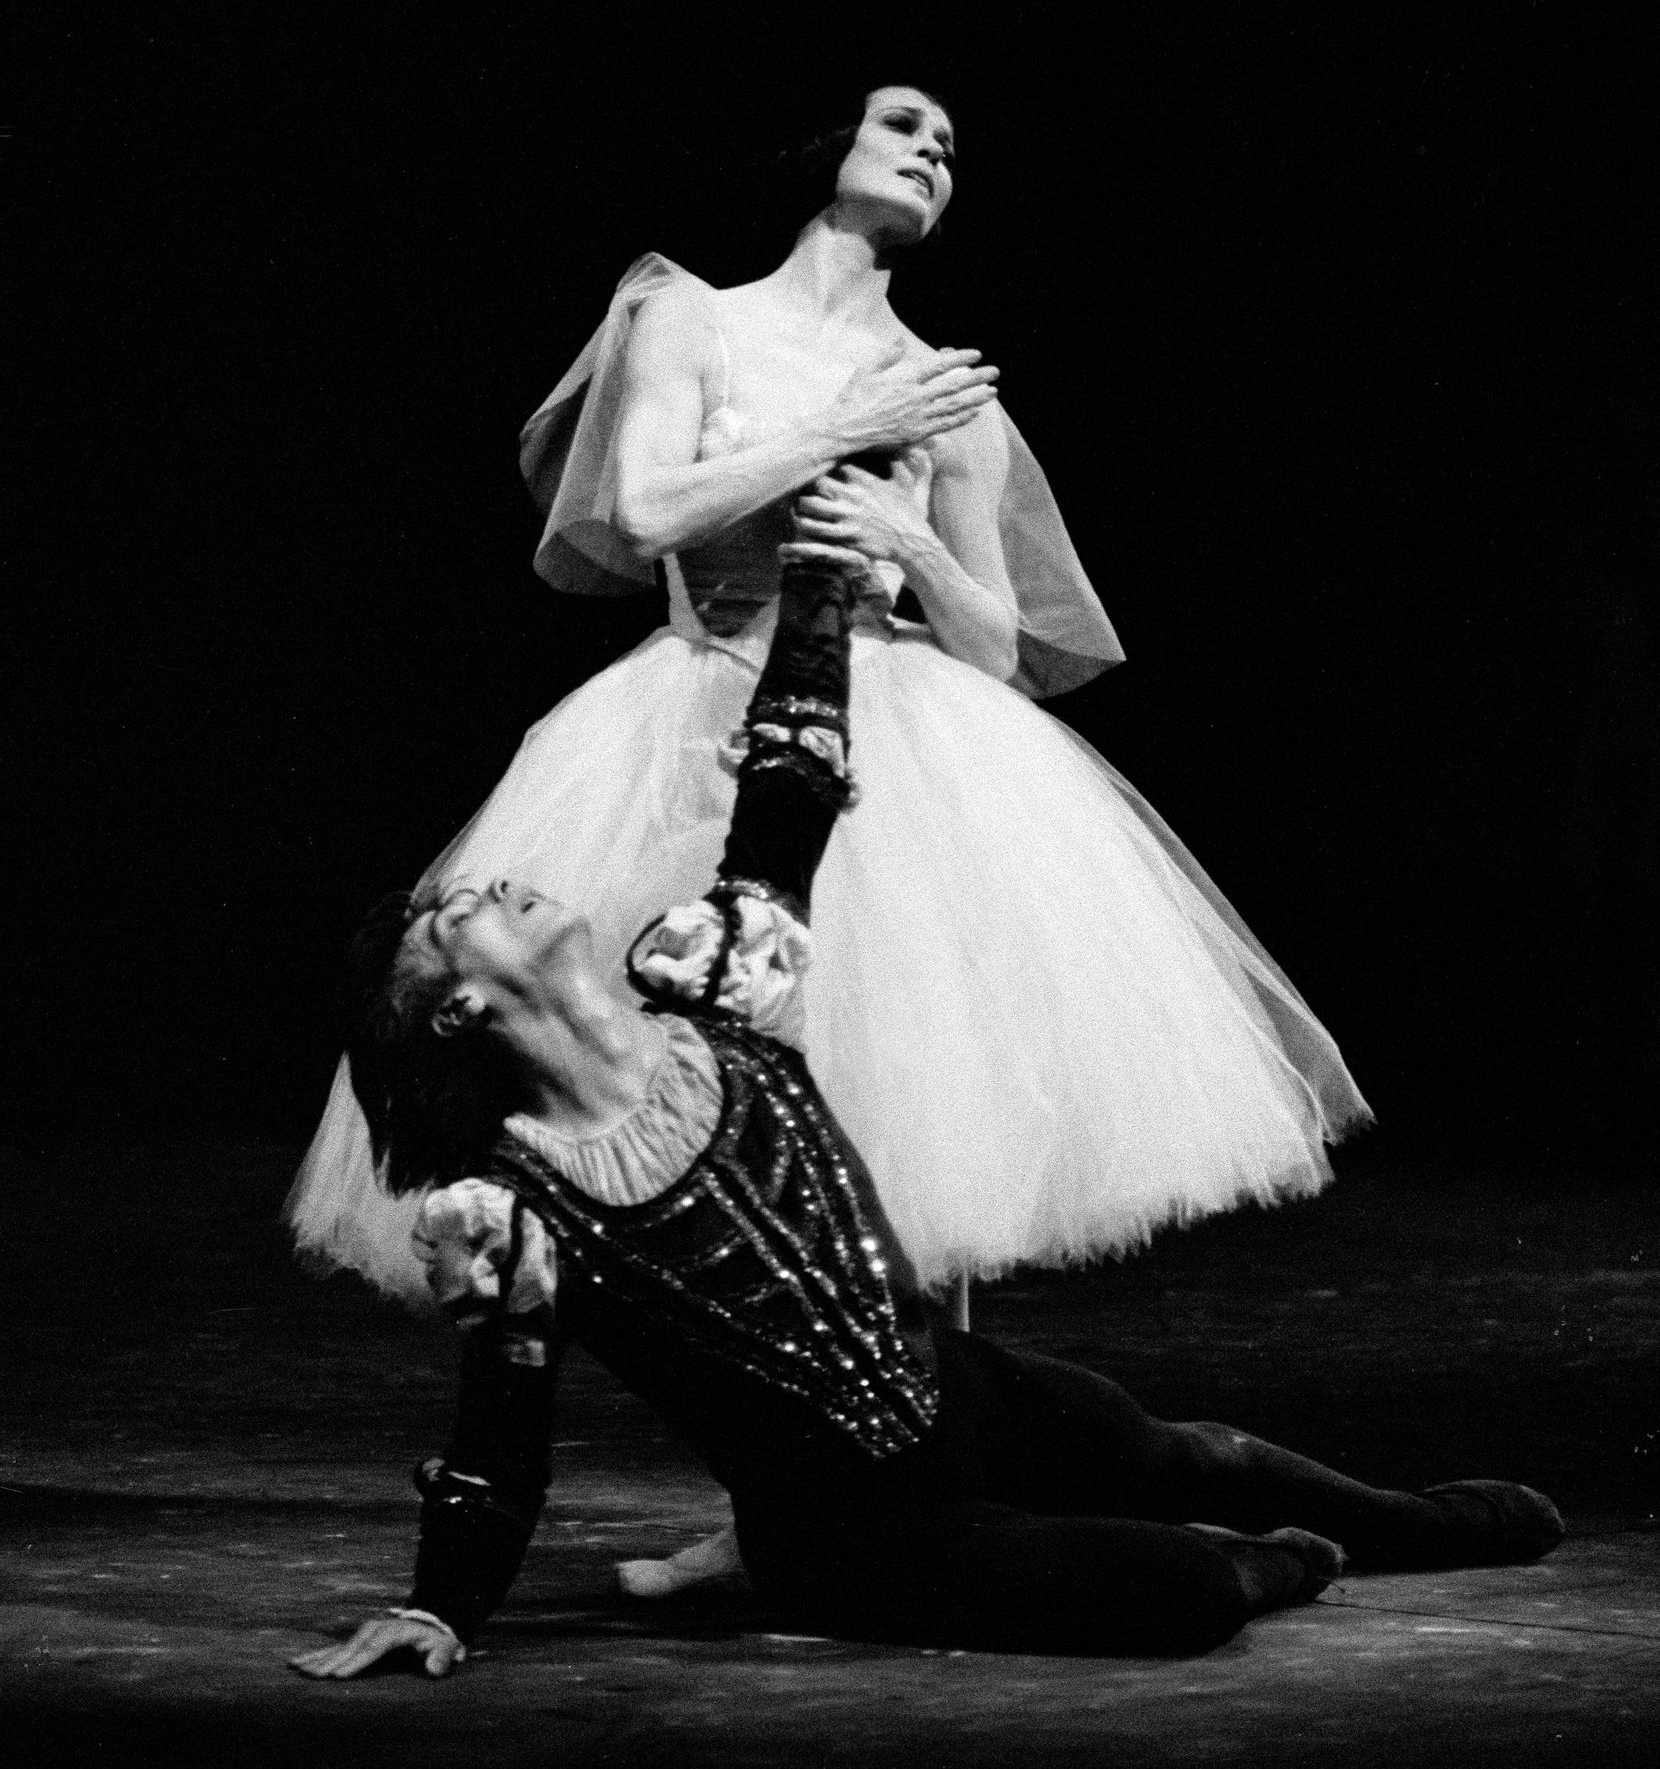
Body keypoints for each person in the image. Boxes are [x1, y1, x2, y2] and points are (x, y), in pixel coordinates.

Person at [290, 557, 1561, 1678]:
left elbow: (786, 778)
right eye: (452, 919)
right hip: (854, 1533)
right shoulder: (517, 1208)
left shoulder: (720, 989)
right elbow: (497, 1447)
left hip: (956, 1390)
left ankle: (1414, 1523)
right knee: (1173, 1587)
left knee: (1197, 1450)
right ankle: (1287, 1562)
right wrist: (438, 1603)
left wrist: (825, 594)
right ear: (452, 1014)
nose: (488, 885)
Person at [288, 84, 1373, 1321]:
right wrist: (845, 429)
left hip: (897, 730)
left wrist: (913, 542)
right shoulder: (689, 317)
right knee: (709, 1078)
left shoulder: (944, 388)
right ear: (821, 148)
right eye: (904, 127)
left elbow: (997, 650)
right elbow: (643, 517)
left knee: (918, 1089)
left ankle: (925, 1452)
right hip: (701, 715)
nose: (932, 155)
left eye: (950, 150)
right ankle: (779, 1469)